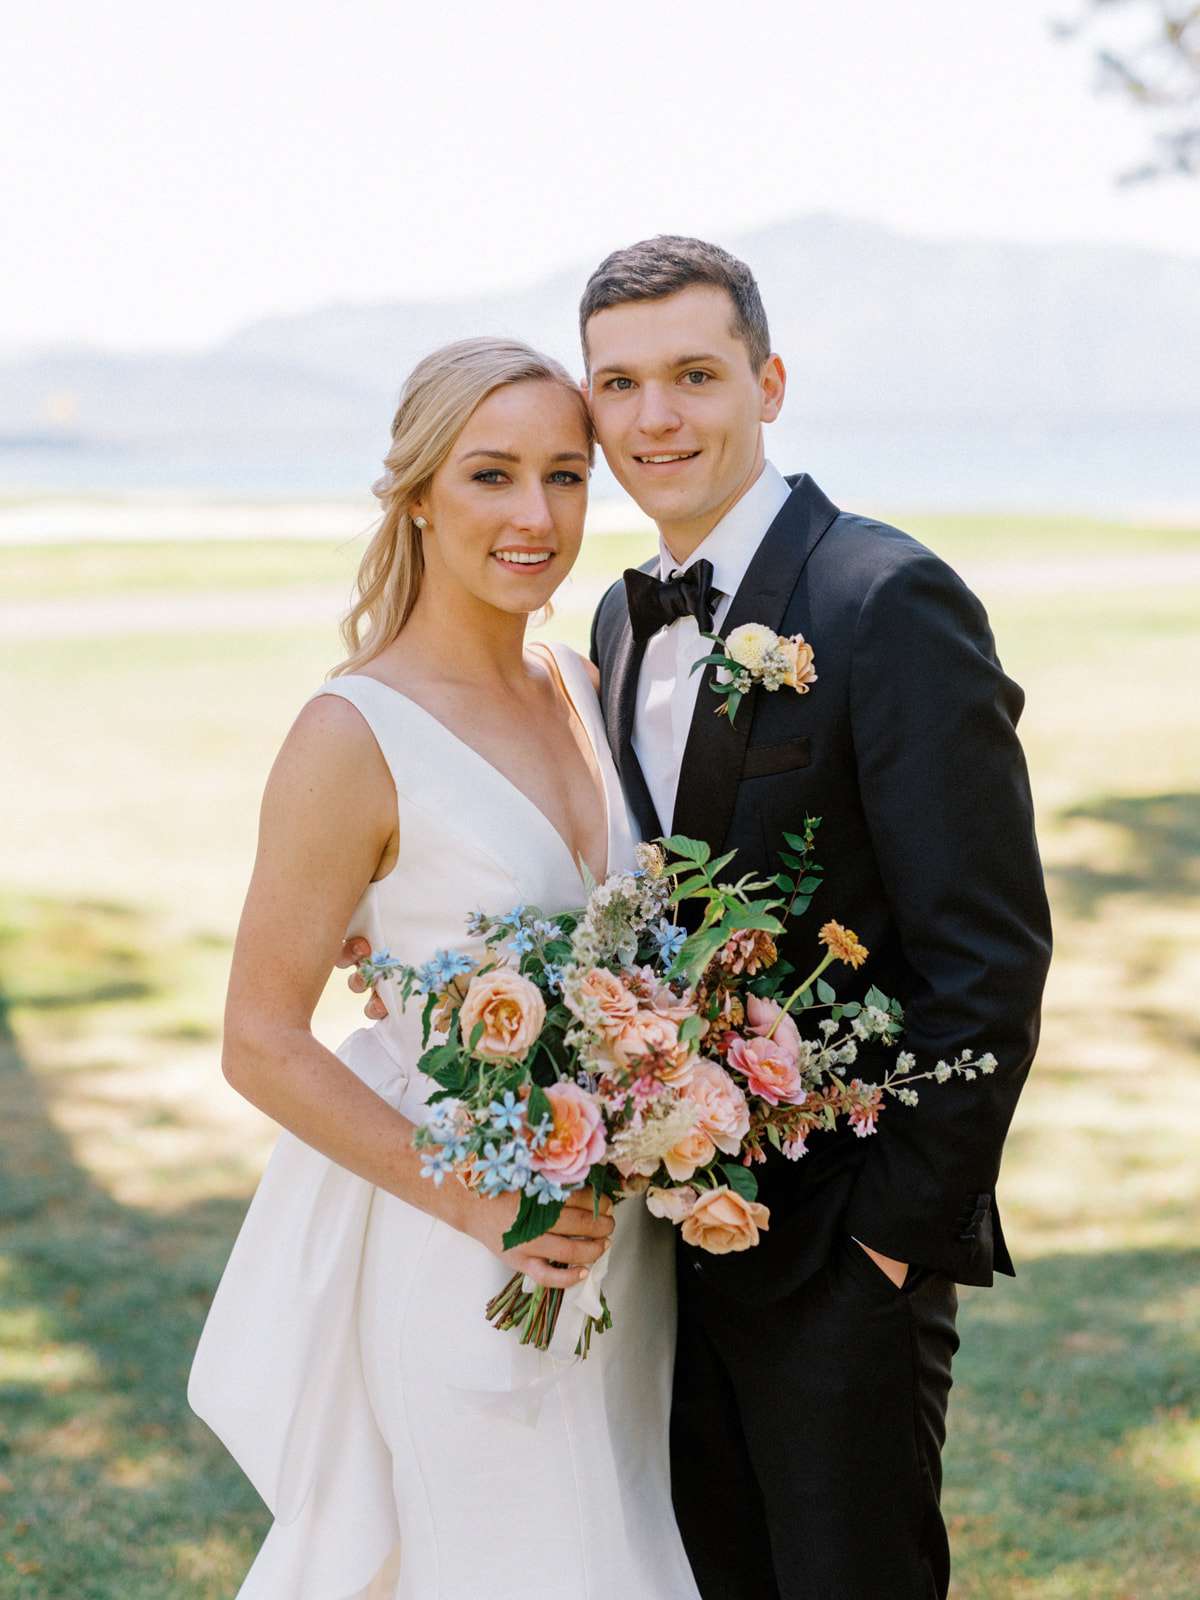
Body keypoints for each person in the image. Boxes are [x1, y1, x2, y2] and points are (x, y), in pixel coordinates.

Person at [188, 337, 702, 1600]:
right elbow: (259, 1039)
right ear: (418, 493)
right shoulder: (349, 733)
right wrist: (488, 1208)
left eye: (567, 477)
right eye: (491, 475)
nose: (536, 516)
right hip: (461, 1245)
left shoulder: (583, 682)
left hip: (620, 1252)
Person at [581, 236, 1053, 1599]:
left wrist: (889, 1242)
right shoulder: (618, 629)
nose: (655, 417)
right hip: (668, 1256)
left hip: (846, 1258)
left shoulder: (883, 597)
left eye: (693, 374)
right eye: (619, 385)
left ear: (768, 381)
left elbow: (988, 954)